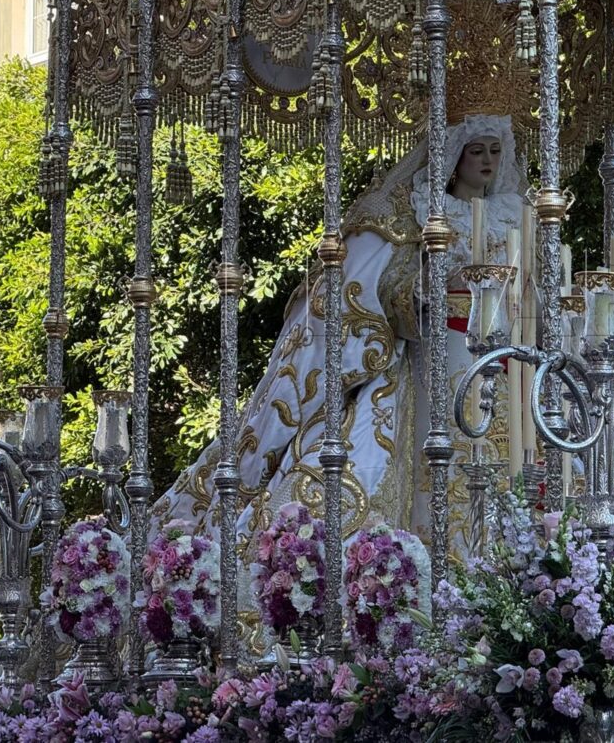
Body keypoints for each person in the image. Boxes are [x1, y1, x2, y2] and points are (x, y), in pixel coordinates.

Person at [150, 112, 526, 561]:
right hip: (437, 357)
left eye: (494, 151)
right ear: (454, 157)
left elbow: (529, 290)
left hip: (505, 361)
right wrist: (425, 290)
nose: (486, 160)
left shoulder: (514, 217)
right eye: (475, 150)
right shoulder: (420, 212)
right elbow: (386, 287)